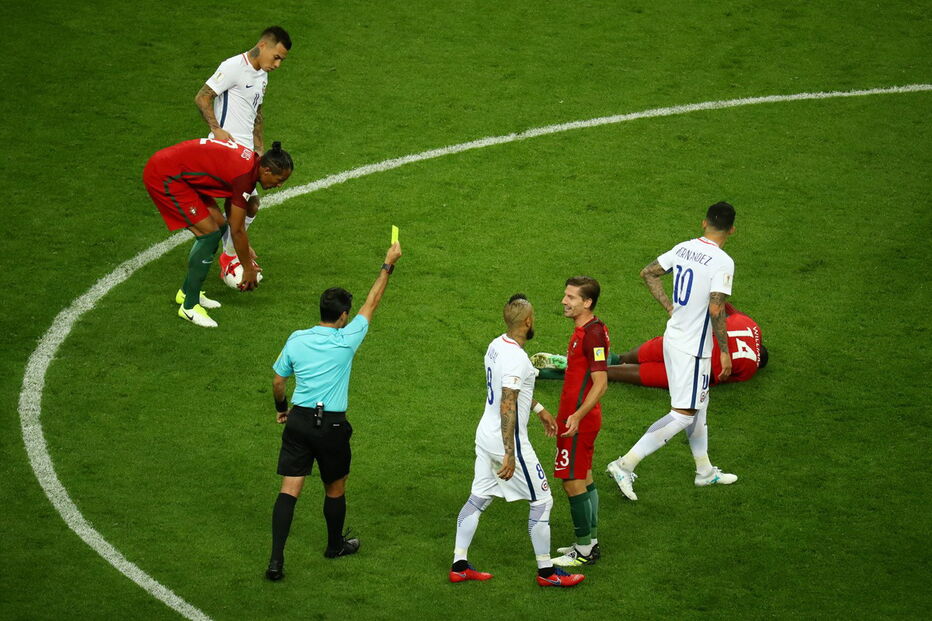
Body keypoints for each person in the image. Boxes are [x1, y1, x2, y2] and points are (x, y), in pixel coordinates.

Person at [265, 242, 402, 581]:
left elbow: (278, 381)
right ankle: (334, 545)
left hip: (298, 421)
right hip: (332, 427)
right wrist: (388, 264)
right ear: (342, 316)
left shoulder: (297, 339)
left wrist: (282, 409)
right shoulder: (346, 339)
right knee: (335, 488)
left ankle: (275, 561)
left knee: (289, 490)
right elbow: (373, 301)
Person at [450, 294, 585, 588]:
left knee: (479, 497)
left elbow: (510, 390)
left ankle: (459, 564)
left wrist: (539, 409)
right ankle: (547, 573)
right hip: (507, 439)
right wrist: (510, 453)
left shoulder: (496, 346)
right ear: (528, 322)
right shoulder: (516, 358)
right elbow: (508, 403)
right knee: (543, 501)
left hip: (484, 434)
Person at [606, 201, 738, 501]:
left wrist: (670, 307)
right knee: (683, 414)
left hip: (674, 337)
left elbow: (648, 273)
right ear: (731, 229)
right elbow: (716, 308)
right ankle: (624, 464)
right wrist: (724, 351)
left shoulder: (683, 248)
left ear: (704, 222)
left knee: (698, 406)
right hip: (693, 349)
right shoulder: (722, 261)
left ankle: (704, 471)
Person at [142, 138, 294, 327]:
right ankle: (189, 307)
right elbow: (237, 230)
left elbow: (232, 212)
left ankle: (187, 292)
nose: (280, 185)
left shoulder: (251, 164)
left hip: (181, 172)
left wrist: (244, 248)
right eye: (280, 180)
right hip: (166, 175)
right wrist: (248, 269)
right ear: (267, 171)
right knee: (209, 234)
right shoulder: (245, 177)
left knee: (219, 226)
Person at [193, 26, 292, 286]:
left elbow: (257, 112)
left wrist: (259, 147)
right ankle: (230, 257)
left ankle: (231, 253)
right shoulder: (233, 67)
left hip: (246, 154)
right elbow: (202, 97)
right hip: (225, 152)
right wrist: (216, 129)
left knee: (250, 205)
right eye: (277, 57)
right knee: (240, 207)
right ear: (263, 45)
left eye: (282, 60)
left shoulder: (262, 76)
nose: (278, 64)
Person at [532, 303, 767, 388]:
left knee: (626, 357)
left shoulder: (751, 326)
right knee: (610, 374)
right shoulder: (749, 369)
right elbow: (722, 377)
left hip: (682, 341)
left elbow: (719, 308)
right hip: (689, 369)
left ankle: (612, 359)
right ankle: (545, 373)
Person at [550, 277, 610, 568]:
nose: (564, 301)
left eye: (571, 297)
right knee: (584, 476)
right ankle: (591, 543)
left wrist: (576, 415)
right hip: (576, 417)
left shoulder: (593, 335)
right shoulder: (587, 330)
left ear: (587, 302)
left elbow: (601, 383)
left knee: (571, 482)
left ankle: (584, 549)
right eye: (565, 295)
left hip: (578, 421)